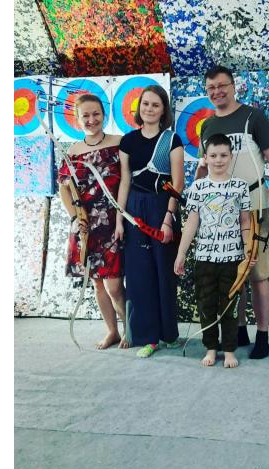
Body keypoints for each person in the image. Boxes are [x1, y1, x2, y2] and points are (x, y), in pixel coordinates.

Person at [196, 65, 269, 359]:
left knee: (258, 273)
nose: (217, 92)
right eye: (211, 88)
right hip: (220, 210)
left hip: (253, 203)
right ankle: (237, 330)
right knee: (230, 272)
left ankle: (262, 334)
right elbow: (205, 168)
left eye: (222, 85)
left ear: (233, 86)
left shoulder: (253, 117)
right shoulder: (207, 126)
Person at [115, 85, 185, 358]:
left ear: (163, 109)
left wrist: (168, 218)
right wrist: (120, 219)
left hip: (161, 207)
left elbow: (177, 183)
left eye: (156, 104)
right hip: (134, 209)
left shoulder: (172, 139)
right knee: (139, 274)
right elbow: (125, 181)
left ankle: (169, 334)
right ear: (139, 107)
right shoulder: (128, 141)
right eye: (145, 103)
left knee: (163, 272)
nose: (150, 109)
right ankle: (148, 337)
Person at [175, 134, 255, 368]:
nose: (218, 160)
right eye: (213, 155)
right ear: (206, 158)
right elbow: (192, 222)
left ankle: (229, 350)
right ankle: (211, 348)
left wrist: (248, 250)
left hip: (232, 258)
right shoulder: (198, 187)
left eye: (223, 155)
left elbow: (245, 221)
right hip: (204, 259)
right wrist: (182, 253)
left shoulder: (240, 186)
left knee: (230, 307)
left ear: (231, 156)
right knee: (206, 305)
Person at [58, 94, 127, 349]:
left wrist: (121, 216)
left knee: (115, 285)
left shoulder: (119, 143)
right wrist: (75, 219)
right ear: (77, 119)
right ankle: (112, 331)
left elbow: (127, 180)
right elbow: (64, 188)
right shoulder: (72, 151)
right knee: (97, 282)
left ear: (104, 114)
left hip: (112, 222)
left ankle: (130, 328)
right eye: (85, 115)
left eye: (96, 113)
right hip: (86, 226)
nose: (91, 119)